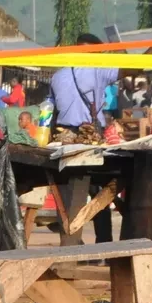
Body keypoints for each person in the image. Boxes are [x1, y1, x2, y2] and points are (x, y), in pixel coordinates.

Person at [48, 34, 121, 241]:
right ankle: (99, 244)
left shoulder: (58, 75)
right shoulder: (97, 70)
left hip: (68, 137)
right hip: (85, 137)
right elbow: (136, 67)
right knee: (99, 194)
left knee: (68, 195)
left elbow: (50, 108)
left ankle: (74, 244)